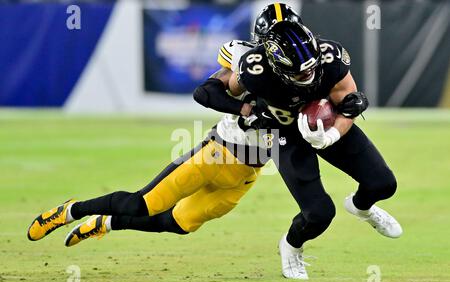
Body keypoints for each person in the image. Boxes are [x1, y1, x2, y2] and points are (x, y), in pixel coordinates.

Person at [27, 3, 301, 247]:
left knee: (179, 223)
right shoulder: (244, 62)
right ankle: (71, 210)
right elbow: (205, 92)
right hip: (217, 154)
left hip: (247, 174)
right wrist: (245, 109)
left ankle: (104, 224)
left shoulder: (307, 70)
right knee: (143, 204)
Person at [209, 20, 403, 280]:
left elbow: (349, 103)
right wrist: (248, 112)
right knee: (319, 213)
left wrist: (332, 135)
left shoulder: (330, 56)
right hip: (284, 133)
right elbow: (213, 92)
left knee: (383, 184)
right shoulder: (255, 70)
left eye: (312, 67)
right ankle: (290, 246)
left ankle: (361, 208)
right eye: (300, 73)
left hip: (326, 121)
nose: (308, 74)